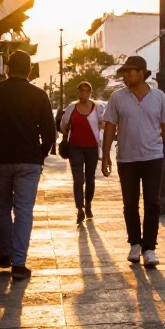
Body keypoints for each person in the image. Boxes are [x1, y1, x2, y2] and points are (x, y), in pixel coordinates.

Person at [0, 50, 55, 278]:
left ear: (6, 68)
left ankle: (4, 251)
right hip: (28, 162)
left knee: (2, 208)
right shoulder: (38, 95)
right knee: (24, 211)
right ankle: (18, 263)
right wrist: (40, 155)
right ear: (30, 70)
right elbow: (49, 132)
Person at [100, 55, 165, 268]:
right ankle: (134, 243)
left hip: (153, 158)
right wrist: (105, 155)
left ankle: (149, 248)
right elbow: (109, 127)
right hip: (127, 159)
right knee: (130, 204)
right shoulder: (117, 97)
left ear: (143, 73)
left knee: (152, 202)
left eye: (130, 71)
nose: (126, 76)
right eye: (124, 72)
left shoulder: (158, 96)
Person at [59, 81, 104, 223]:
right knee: (78, 179)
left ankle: (88, 204)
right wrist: (65, 136)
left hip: (92, 147)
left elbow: (103, 124)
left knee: (90, 178)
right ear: (78, 92)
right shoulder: (72, 108)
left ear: (91, 93)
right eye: (81, 91)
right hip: (75, 147)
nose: (84, 94)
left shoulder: (97, 107)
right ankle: (80, 208)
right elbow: (63, 125)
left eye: (87, 91)